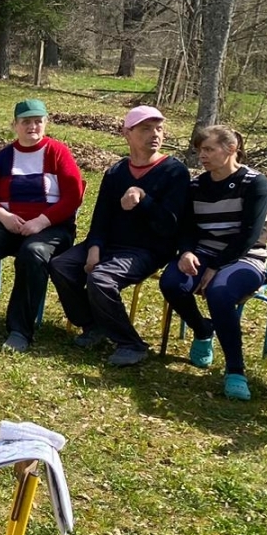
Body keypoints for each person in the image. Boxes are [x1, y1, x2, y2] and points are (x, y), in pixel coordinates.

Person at [50, 106, 191, 367]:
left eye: (159, 128)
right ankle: (93, 325)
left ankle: (130, 343)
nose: (155, 134)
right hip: (110, 244)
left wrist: (144, 200)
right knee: (62, 265)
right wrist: (94, 247)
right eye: (146, 129)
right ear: (127, 133)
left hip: (147, 249)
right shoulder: (116, 172)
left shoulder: (174, 172)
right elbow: (101, 216)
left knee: (101, 279)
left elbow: (170, 226)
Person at [0, 100, 84, 352]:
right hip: (8, 224)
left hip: (51, 228)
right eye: (26, 122)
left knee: (32, 253)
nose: (32, 127)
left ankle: (20, 329)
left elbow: (73, 197)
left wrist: (41, 221)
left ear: (46, 123)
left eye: (38, 121)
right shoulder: (3, 157)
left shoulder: (58, 153)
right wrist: (4, 217)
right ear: (15, 125)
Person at [158, 124, 267, 401]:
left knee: (219, 292)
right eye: (200, 151)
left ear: (231, 149)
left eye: (209, 149)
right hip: (203, 252)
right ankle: (202, 329)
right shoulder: (197, 185)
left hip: (245, 258)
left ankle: (236, 370)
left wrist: (216, 266)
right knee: (172, 283)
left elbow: (249, 235)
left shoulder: (254, 183)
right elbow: (186, 227)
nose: (202, 156)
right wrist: (186, 252)